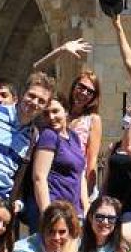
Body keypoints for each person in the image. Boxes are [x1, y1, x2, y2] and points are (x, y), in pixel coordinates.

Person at [0, 72, 50, 205]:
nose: (34, 103)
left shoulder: (32, 136)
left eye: (41, 101)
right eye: (31, 96)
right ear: (21, 95)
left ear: (45, 108)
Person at [30, 95, 89, 226]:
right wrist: (47, 215)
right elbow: (39, 177)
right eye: (46, 113)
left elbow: (80, 174)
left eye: (55, 111)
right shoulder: (49, 136)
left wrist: (86, 207)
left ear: (66, 111)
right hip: (55, 210)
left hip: (73, 212)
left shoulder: (73, 136)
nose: (51, 117)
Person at [68, 70, 105, 196]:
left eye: (90, 91)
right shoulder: (60, 113)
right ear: (74, 86)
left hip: (77, 182)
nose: (84, 93)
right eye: (81, 87)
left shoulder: (93, 119)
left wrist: (88, 192)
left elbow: (92, 159)